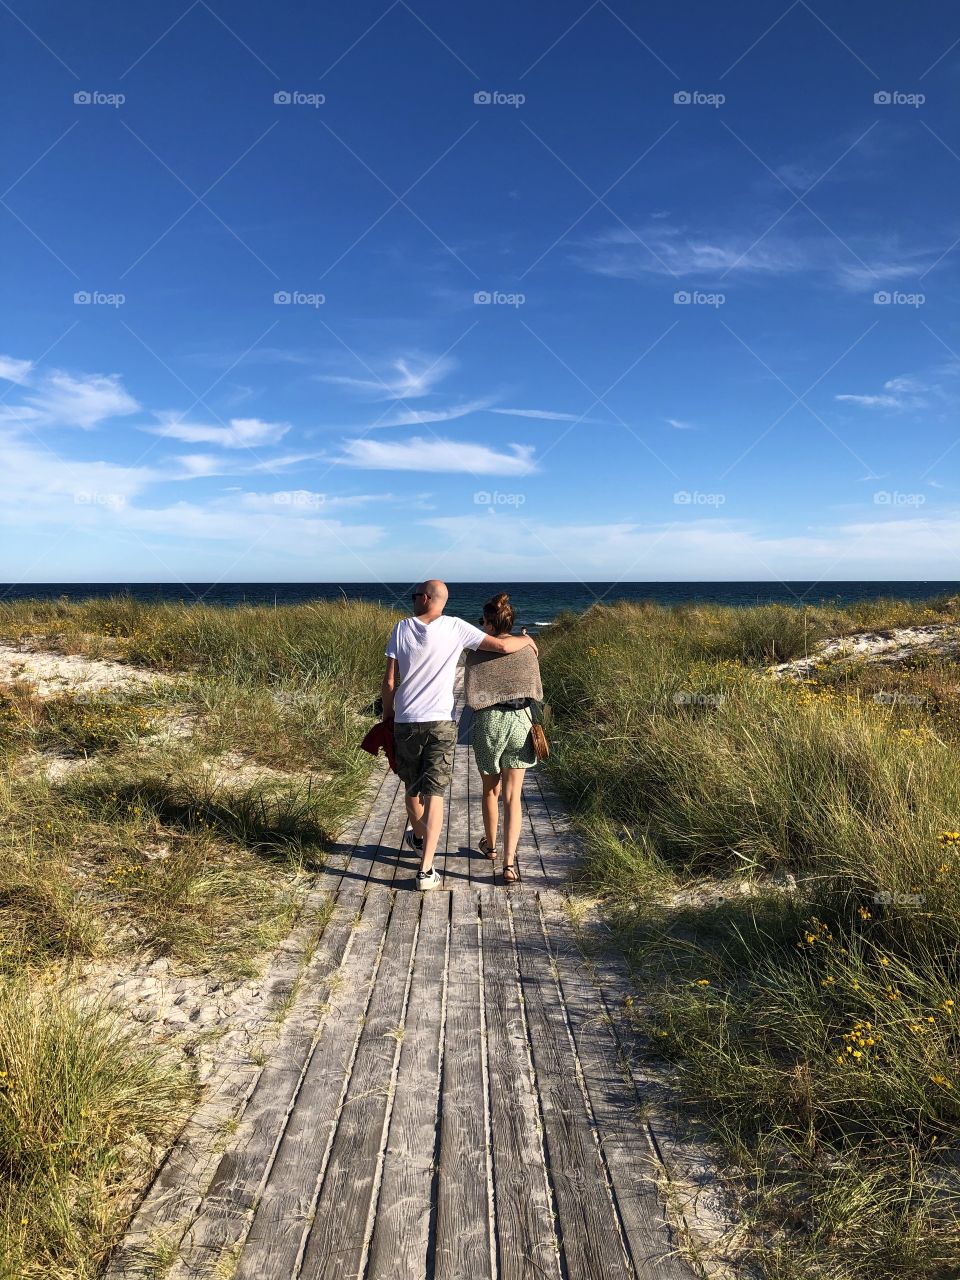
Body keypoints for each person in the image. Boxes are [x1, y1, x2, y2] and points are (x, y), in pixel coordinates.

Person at [380, 579, 538, 890]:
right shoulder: (456, 627)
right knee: (444, 794)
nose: (412, 600)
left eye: (415, 595)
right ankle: (440, 869)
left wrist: (387, 716)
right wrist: (529, 641)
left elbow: (389, 682)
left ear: (425, 598)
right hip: (467, 721)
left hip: (413, 720)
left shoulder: (401, 628)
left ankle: (433, 838)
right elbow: (509, 651)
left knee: (415, 790)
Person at [463, 592, 543, 884]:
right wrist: (527, 640)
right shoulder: (528, 648)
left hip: (488, 722)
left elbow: (472, 689)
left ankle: (491, 847)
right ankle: (509, 865)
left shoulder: (475, 653)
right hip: (521, 721)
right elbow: (536, 687)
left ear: (486, 622)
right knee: (512, 797)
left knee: (490, 790)